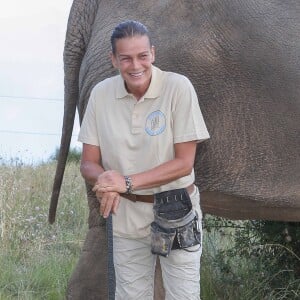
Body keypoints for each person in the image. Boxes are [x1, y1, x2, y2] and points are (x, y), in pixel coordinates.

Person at [78, 20, 210, 300]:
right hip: (125, 213)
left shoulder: (178, 88)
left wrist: (124, 182)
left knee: (183, 297)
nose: (135, 65)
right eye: (125, 58)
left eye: (142, 56)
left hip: (177, 210)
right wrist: (104, 180)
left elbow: (184, 163)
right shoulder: (101, 94)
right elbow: (88, 162)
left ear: (153, 53)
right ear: (113, 59)